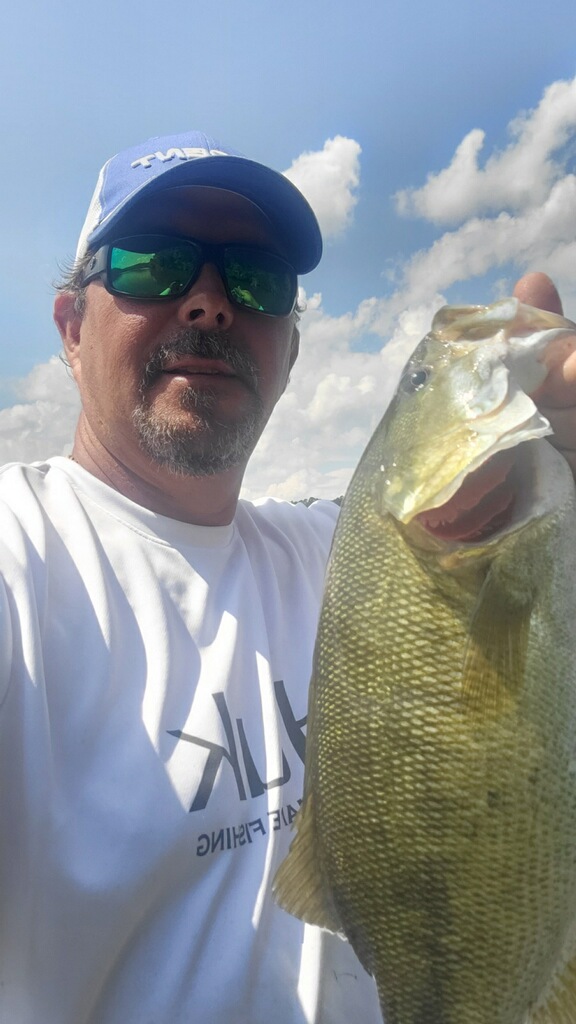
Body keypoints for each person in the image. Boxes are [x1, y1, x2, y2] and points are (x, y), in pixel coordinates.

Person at [0, 130, 574, 1024]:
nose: (209, 303)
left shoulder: (347, 551)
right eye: (154, 264)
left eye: (257, 279)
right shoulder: (21, 561)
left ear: (291, 355)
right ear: (72, 329)